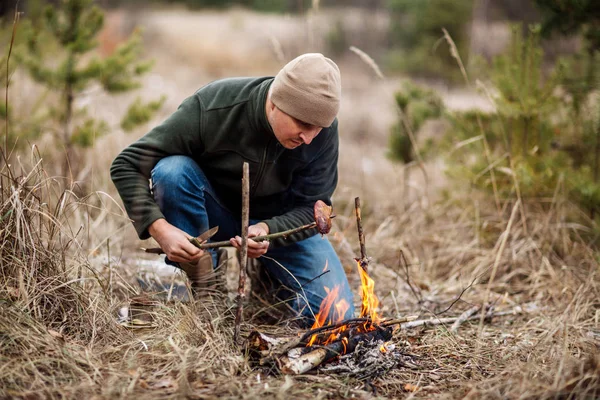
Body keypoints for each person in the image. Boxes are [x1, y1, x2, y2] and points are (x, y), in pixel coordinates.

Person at [110, 53, 355, 325]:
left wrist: (268, 231)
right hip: (214, 210)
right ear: (275, 103)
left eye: (318, 129)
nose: (309, 138)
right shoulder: (215, 106)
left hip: (277, 226)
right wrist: (160, 229)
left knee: (335, 316)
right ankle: (207, 284)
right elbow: (126, 165)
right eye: (303, 125)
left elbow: (314, 207)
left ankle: (270, 280)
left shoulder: (322, 134)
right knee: (171, 171)